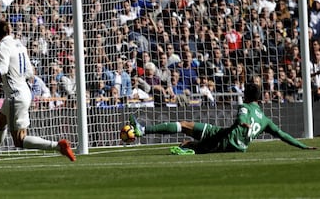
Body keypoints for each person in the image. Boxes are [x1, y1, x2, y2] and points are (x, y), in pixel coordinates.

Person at [0, 19, 75, 162]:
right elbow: (30, 72)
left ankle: (57, 146)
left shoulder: (3, 46)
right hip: (23, 90)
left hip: (15, 96)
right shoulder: (19, 45)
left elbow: (2, 69)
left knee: (19, 140)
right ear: (9, 31)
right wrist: (8, 76)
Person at [129, 82, 316, 154]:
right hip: (238, 147)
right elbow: (283, 135)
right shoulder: (265, 120)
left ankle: (143, 130)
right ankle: (192, 149)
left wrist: (239, 123)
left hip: (222, 138)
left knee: (184, 127)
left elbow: (239, 121)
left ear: (247, 95)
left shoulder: (244, 107)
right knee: (187, 139)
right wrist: (303, 146)